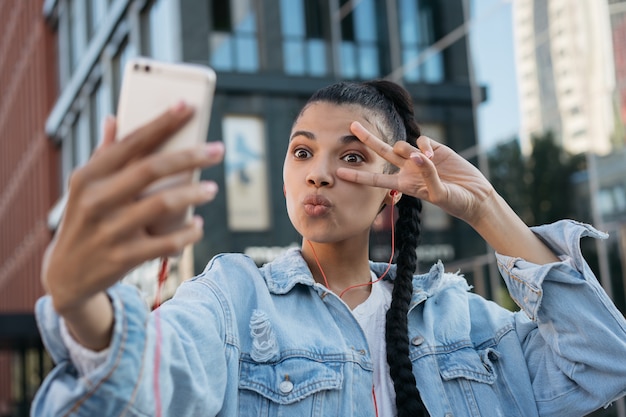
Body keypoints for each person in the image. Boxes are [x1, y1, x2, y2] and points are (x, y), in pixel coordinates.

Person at [32, 80, 626, 417]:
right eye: (302, 152)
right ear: (285, 178)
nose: (319, 173)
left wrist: (485, 207)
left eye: (350, 157)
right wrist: (82, 300)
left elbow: (604, 362)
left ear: (393, 190)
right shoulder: (234, 300)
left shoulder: (465, 321)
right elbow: (154, 377)